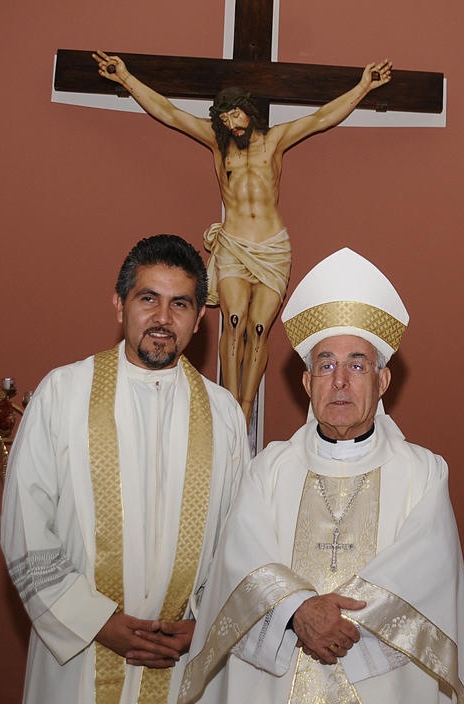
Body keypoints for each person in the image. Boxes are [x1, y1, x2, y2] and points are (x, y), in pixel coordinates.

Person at [172, 248, 464, 704]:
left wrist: (330, 619)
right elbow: (241, 562)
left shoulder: (424, 472)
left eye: (357, 364)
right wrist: (298, 611)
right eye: (326, 365)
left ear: (382, 382)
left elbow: (425, 575)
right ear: (306, 383)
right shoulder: (268, 469)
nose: (340, 381)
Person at [1, 234, 249, 704]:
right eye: (147, 298)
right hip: (81, 656)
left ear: (198, 319)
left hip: (180, 657)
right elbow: (26, 529)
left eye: (180, 303)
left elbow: (239, 539)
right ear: (119, 305)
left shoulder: (224, 415)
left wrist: (202, 625)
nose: (163, 317)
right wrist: (98, 622)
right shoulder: (61, 395)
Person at [92, 50, 393, 424]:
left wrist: (363, 86)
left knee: (260, 328)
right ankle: (228, 402)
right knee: (234, 320)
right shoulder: (218, 145)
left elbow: (321, 117)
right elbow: (169, 112)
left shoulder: (274, 142)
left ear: (249, 110)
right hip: (234, 244)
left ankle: (245, 408)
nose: (231, 124)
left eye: (235, 115)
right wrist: (125, 79)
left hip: (271, 247)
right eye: (224, 118)